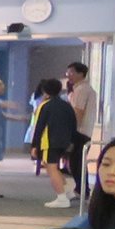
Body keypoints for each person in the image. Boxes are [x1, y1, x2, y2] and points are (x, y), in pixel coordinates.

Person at [28, 79, 78, 209]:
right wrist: (71, 141)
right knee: (53, 167)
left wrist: (34, 145)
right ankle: (68, 192)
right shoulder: (67, 105)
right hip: (64, 141)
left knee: (51, 168)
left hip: (49, 142)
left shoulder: (44, 105)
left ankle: (61, 198)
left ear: (45, 91)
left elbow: (39, 126)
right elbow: (74, 124)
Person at [64, 61, 99, 198]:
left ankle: (82, 190)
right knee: (76, 161)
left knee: (77, 162)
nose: (68, 75)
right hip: (82, 130)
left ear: (81, 74)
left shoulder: (82, 89)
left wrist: (71, 131)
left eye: (71, 72)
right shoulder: (79, 89)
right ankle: (81, 189)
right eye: (68, 72)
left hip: (80, 131)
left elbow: (78, 112)